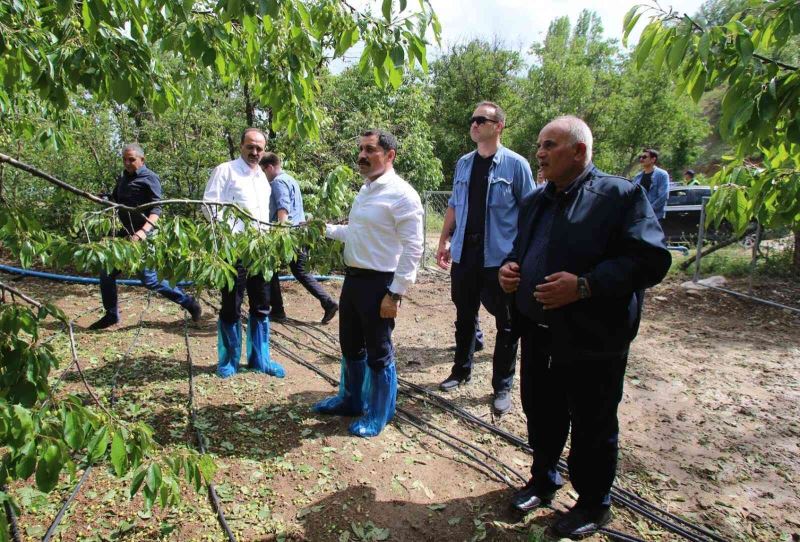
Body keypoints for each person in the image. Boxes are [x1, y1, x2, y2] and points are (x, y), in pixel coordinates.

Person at [498, 116, 671, 538]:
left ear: (579, 151)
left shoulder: (619, 196)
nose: (539, 153)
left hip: (594, 340)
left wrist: (586, 286)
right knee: (541, 413)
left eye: (550, 145)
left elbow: (650, 260)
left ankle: (595, 504)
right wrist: (509, 271)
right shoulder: (536, 201)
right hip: (540, 333)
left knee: (592, 425)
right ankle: (543, 481)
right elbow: (520, 251)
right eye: (539, 144)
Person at [313, 129, 423, 438]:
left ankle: (378, 413)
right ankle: (351, 399)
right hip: (354, 281)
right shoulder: (366, 190)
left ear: (390, 155)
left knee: (378, 351)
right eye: (360, 149)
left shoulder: (402, 194)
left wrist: (395, 293)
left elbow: (414, 248)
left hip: (381, 284)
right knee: (350, 344)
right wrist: (326, 229)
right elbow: (357, 232)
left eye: (370, 150)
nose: (361, 155)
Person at [435, 101, 534, 415]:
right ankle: (461, 371)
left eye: (482, 119)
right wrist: (444, 240)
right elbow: (454, 204)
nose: (474, 124)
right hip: (466, 254)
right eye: (472, 119)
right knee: (465, 316)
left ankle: (502, 386)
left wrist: (521, 257)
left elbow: (530, 213)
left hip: (500, 259)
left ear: (499, 126)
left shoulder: (517, 165)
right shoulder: (464, 163)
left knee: (506, 324)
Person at [89, 144, 201, 330]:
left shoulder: (150, 178)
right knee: (106, 272)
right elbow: (118, 200)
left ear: (142, 159)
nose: (127, 163)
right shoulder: (124, 178)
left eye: (131, 159)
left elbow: (157, 208)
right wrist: (104, 198)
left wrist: (143, 232)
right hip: (126, 235)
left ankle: (189, 303)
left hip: (145, 235)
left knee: (149, 280)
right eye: (125, 159)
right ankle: (111, 315)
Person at [202, 128, 285, 379]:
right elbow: (209, 205)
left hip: (259, 252)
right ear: (241, 146)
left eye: (259, 148)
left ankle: (261, 358)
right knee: (231, 305)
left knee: (261, 305)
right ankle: (229, 360)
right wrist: (226, 236)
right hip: (234, 251)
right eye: (250, 146)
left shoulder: (261, 175)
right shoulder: (225, 171)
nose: (255, 152)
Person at [259, 152, 339, 325]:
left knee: (270, 268)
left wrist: (280, 232)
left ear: (270, 167)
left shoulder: (278, 182)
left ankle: (281, 310)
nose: (265, 176)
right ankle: (325, 302)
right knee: (298, 271)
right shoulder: (291, 179)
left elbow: (283, 207)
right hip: (299, 232)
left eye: (264, 171)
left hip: (289, 234)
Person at [632, 148, 669, 220]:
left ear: (653, 159)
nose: (641, 159)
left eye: (644, 157)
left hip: (654, 217)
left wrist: (649, 210)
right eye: (640, 157)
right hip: (639, 216)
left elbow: (663, 196)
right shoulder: (638, 176)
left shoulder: (662, 174)